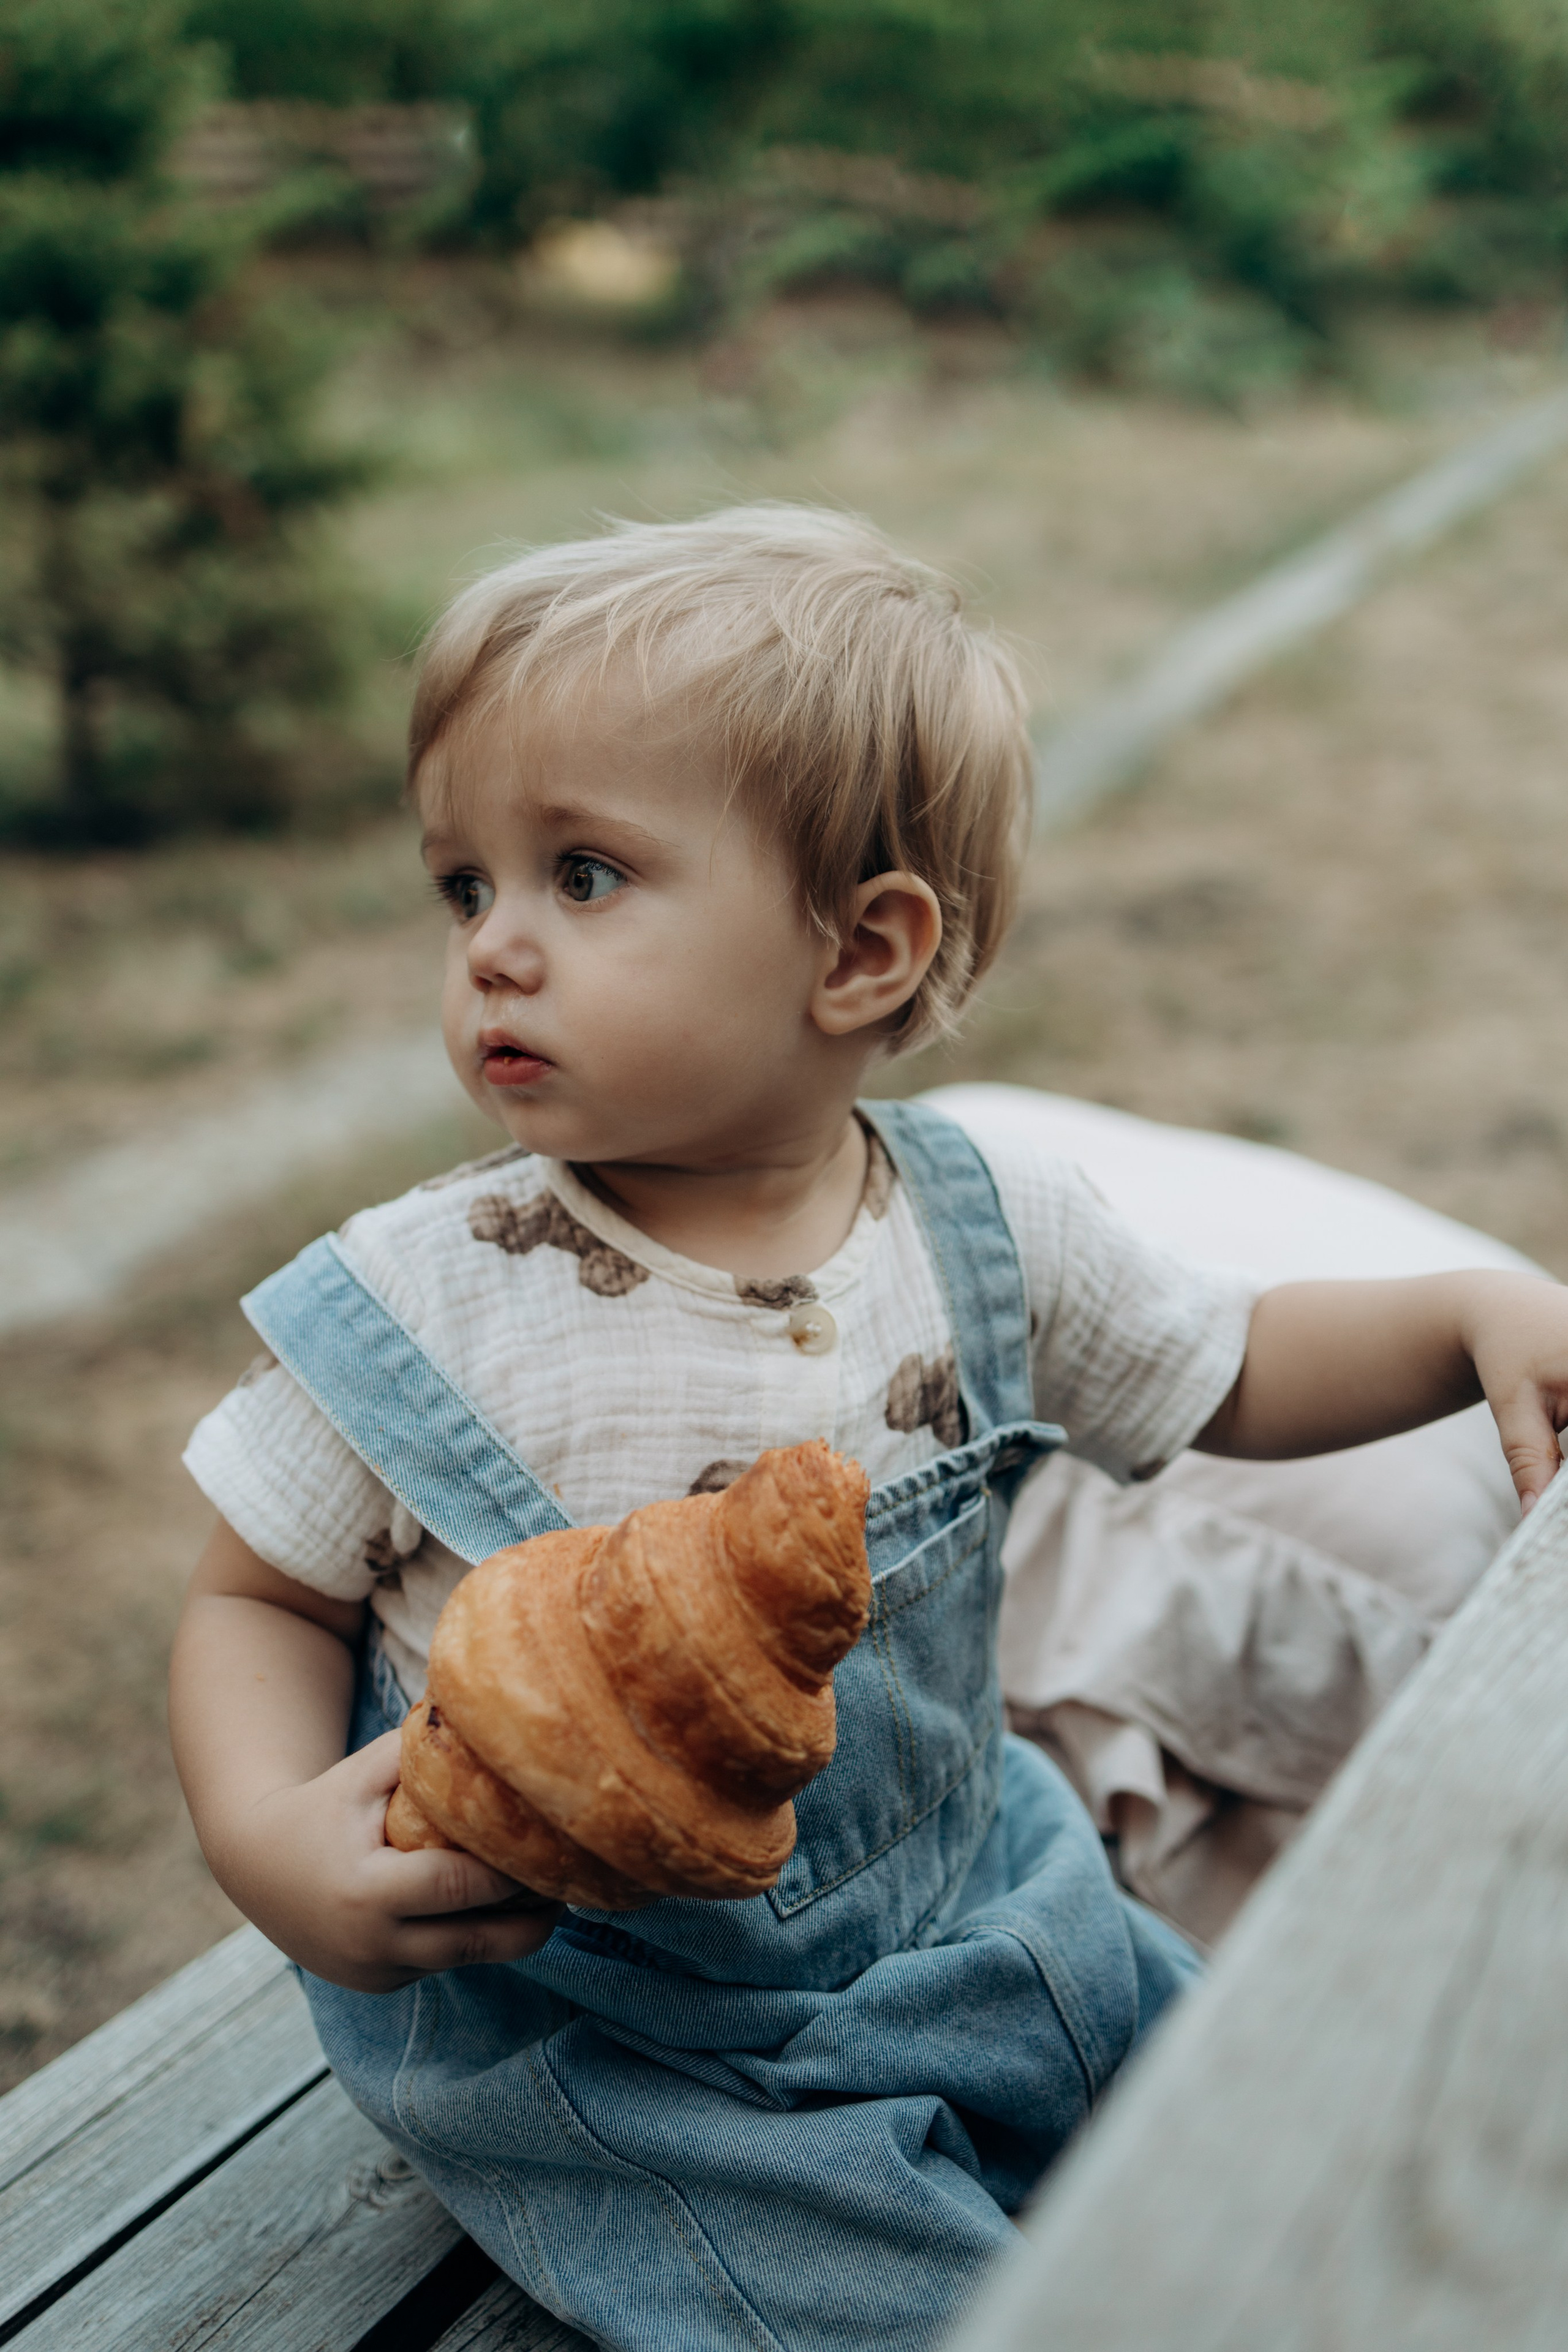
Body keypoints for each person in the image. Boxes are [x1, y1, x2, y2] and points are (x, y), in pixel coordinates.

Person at [170, 506, 1568, 2352]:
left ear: (862, 951)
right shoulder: (431, 1298)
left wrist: (1468, 1319)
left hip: (985, 1887)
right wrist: (270, 1844)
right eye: (464, 885)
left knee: (1281, 2161)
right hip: (623, 2030)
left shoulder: (979, 1222)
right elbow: (256, 1599)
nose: (496, 947)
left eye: (581, 876)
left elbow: (1228, 1367)